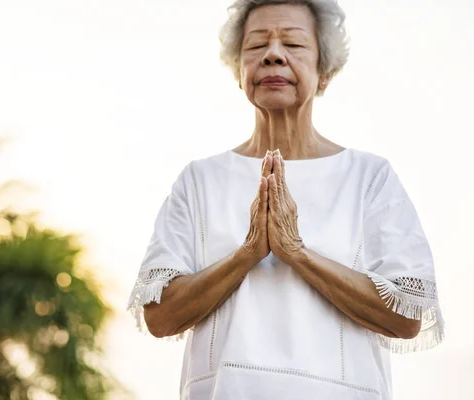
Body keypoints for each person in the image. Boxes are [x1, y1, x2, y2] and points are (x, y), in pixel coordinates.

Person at [127, 1, 444, 399]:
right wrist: (248, 253)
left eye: (293, 44)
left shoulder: (369, 177)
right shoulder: (199, 180)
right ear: (239, 73)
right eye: (256, 45)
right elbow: (159, 316)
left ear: (324, 73)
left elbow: (407, 315)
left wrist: (296, 252)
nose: (273, 54)